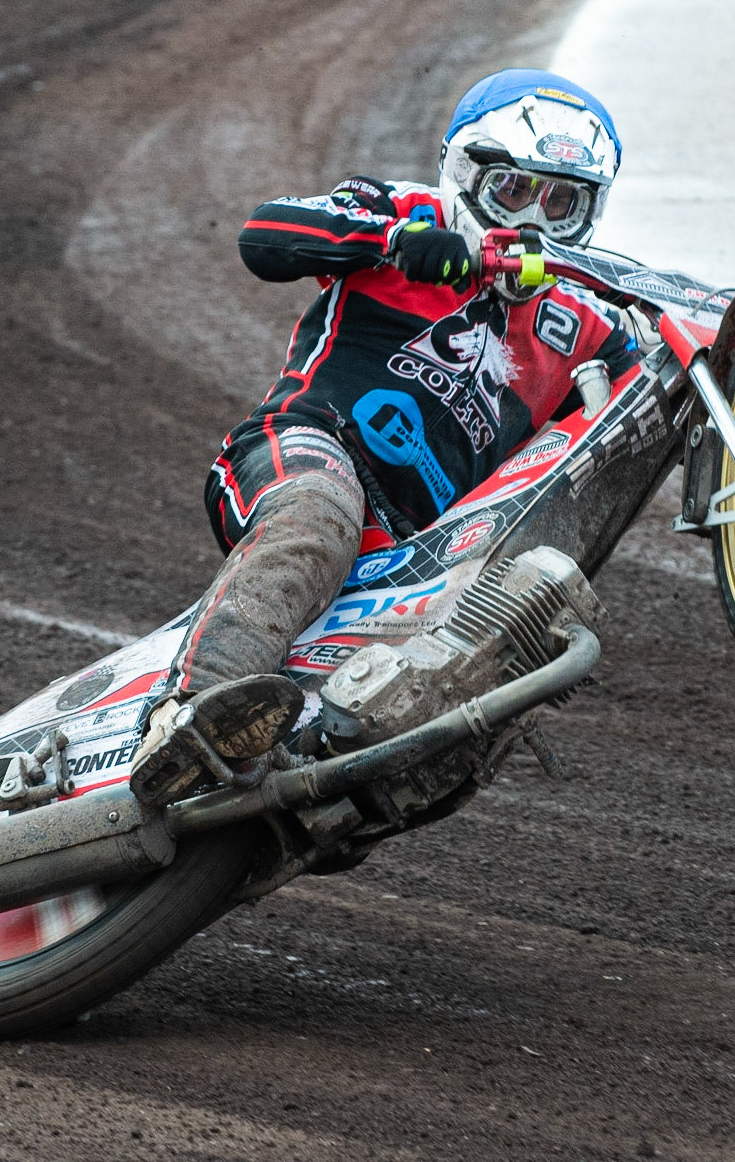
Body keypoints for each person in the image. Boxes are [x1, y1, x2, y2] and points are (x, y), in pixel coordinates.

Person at [131, 68, 641, 806]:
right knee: (320, 516)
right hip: (302, 449)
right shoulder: (400, 210)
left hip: (416, 556)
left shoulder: (581, 326)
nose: (533, 220)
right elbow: (265, 236)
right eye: (513, 190)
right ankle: (186, 714)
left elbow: (684, 385)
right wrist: (392, 240)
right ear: (468, 174)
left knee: (498, 654)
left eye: (562, 202)